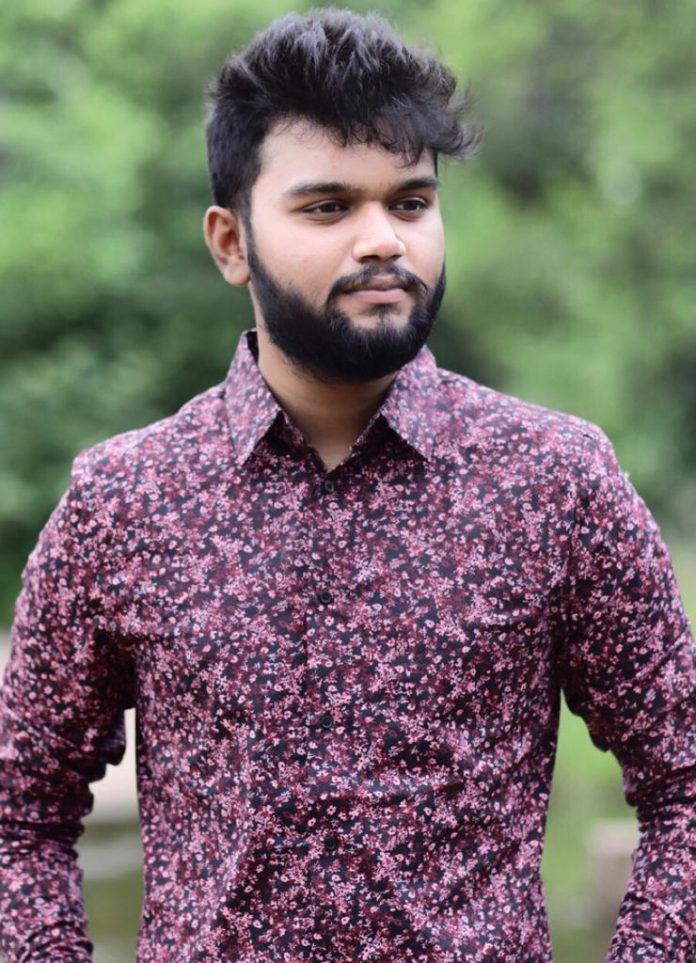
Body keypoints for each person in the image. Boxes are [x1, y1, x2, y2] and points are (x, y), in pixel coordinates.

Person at [0, 7, 694, 961]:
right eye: (328, 207)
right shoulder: (125, 500)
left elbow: (684, 783)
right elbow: (21, 813)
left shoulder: (554, 481)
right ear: (230, 242)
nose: (382, 241)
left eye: (410, 203)